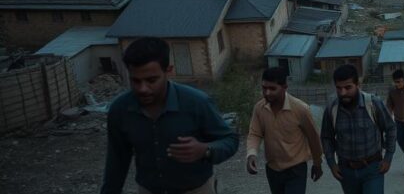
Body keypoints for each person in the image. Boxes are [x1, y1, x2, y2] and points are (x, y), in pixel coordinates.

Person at [101, 37, 239, 194]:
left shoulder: (196, 102)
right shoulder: (120, 109)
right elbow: (117, 159)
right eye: (135, 81)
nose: (143, 88)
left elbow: (230, 140)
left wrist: (205, 150)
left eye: (151, 80)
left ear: (169, 71)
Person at [246, 67, 324, 194]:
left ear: (284, 87)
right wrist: (251, 154)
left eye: (272, 89)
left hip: (296, 170)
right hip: (273, 169)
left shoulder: (301, 109)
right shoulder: (259, 108)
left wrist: (317, 163)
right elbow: (255, 133)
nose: (267, 93)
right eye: (264, 88)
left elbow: (313, 138)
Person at [321, 64, 396, 194]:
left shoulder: (373, 104)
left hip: (372, 168)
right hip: (346, 171)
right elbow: (326, 137)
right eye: (339, 88)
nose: (343, 93)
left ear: (358, 84)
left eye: (348, 87)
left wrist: (388, 157)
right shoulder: (332, 108)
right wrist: (332, 163)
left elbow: (390, 128)